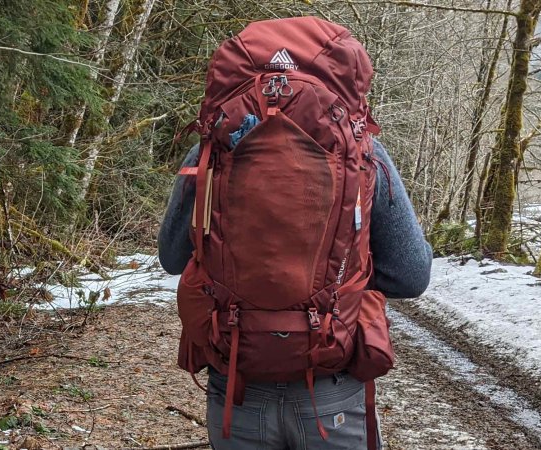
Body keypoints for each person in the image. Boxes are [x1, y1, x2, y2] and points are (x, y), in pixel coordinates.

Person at [158, 136, 433, 449]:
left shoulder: (213, 148)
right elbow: (410, 277)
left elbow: (172, 258)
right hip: (332, 385)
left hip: (238, 385)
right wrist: (349, 277)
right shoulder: (363, 151)